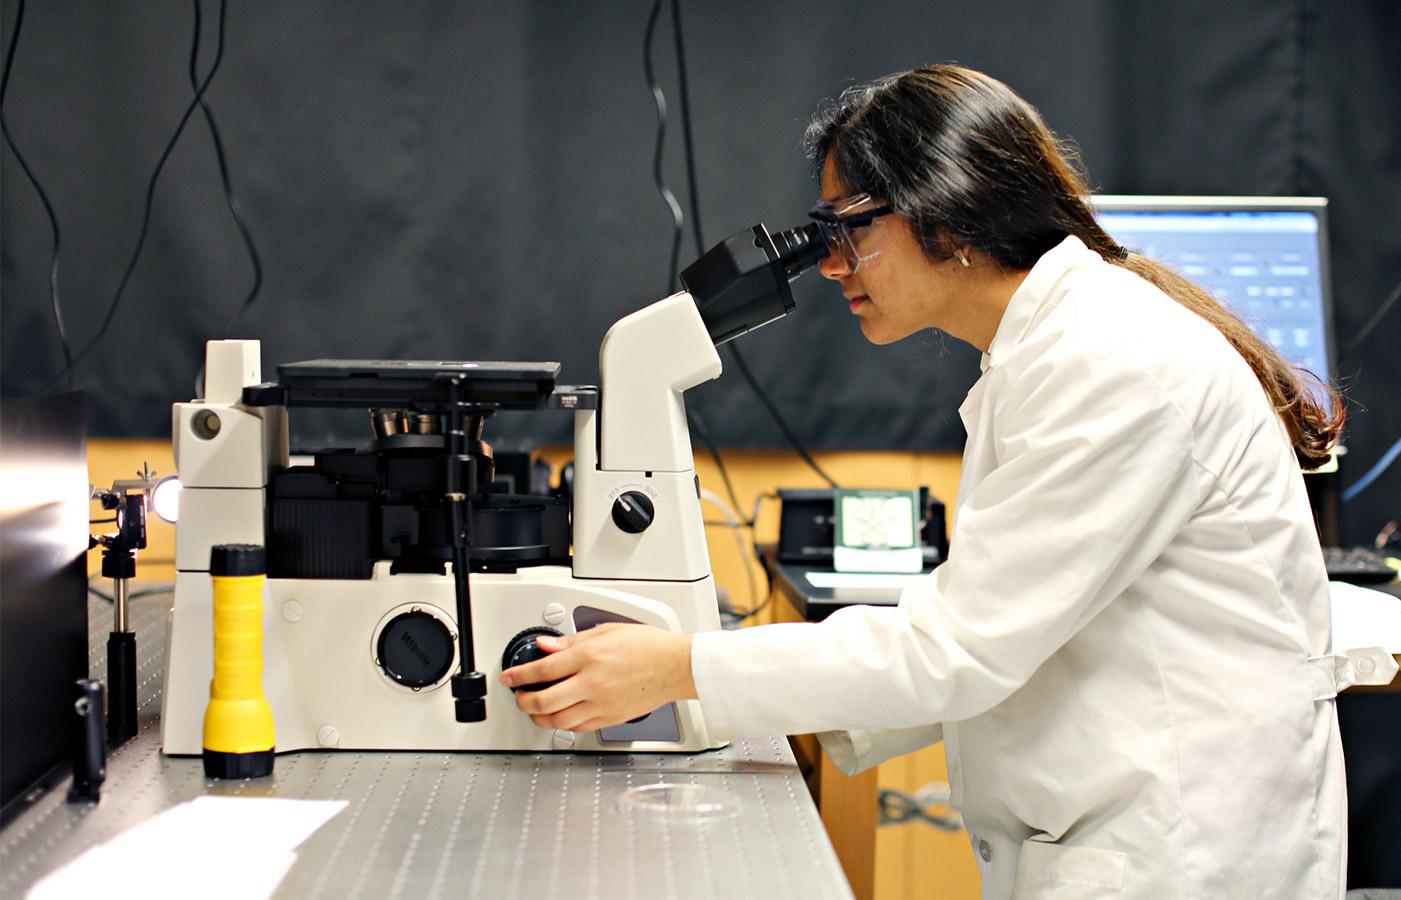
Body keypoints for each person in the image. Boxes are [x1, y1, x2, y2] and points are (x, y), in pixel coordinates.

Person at [502, 65, 1351, 899]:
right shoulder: (1050, 351)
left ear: (948, 207)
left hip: (1181, 853)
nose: (832, 267)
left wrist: (682, 669)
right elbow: (992, 634)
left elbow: (959, 649)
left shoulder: (1113, 362)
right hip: (1126, 829)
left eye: (847, 229)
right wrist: (713, 686)